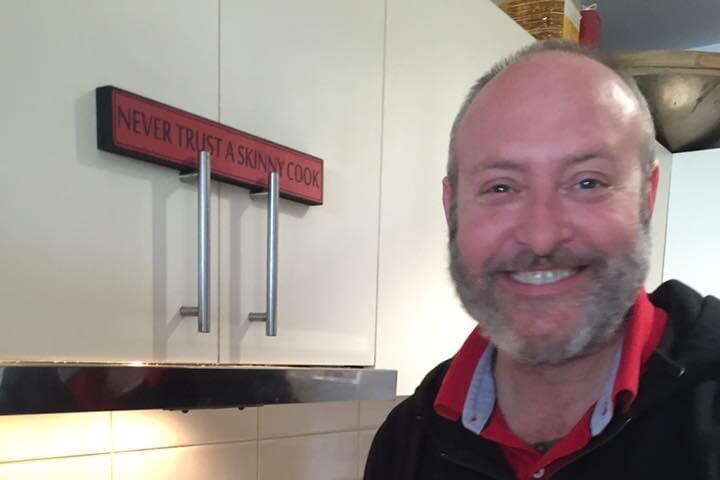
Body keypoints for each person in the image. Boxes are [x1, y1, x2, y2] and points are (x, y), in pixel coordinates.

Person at [364, 40, 720, 480]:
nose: (542, 235)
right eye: (501, 187)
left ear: (646, 197)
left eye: (587, 182)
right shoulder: (407, 442)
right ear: (451, 207)